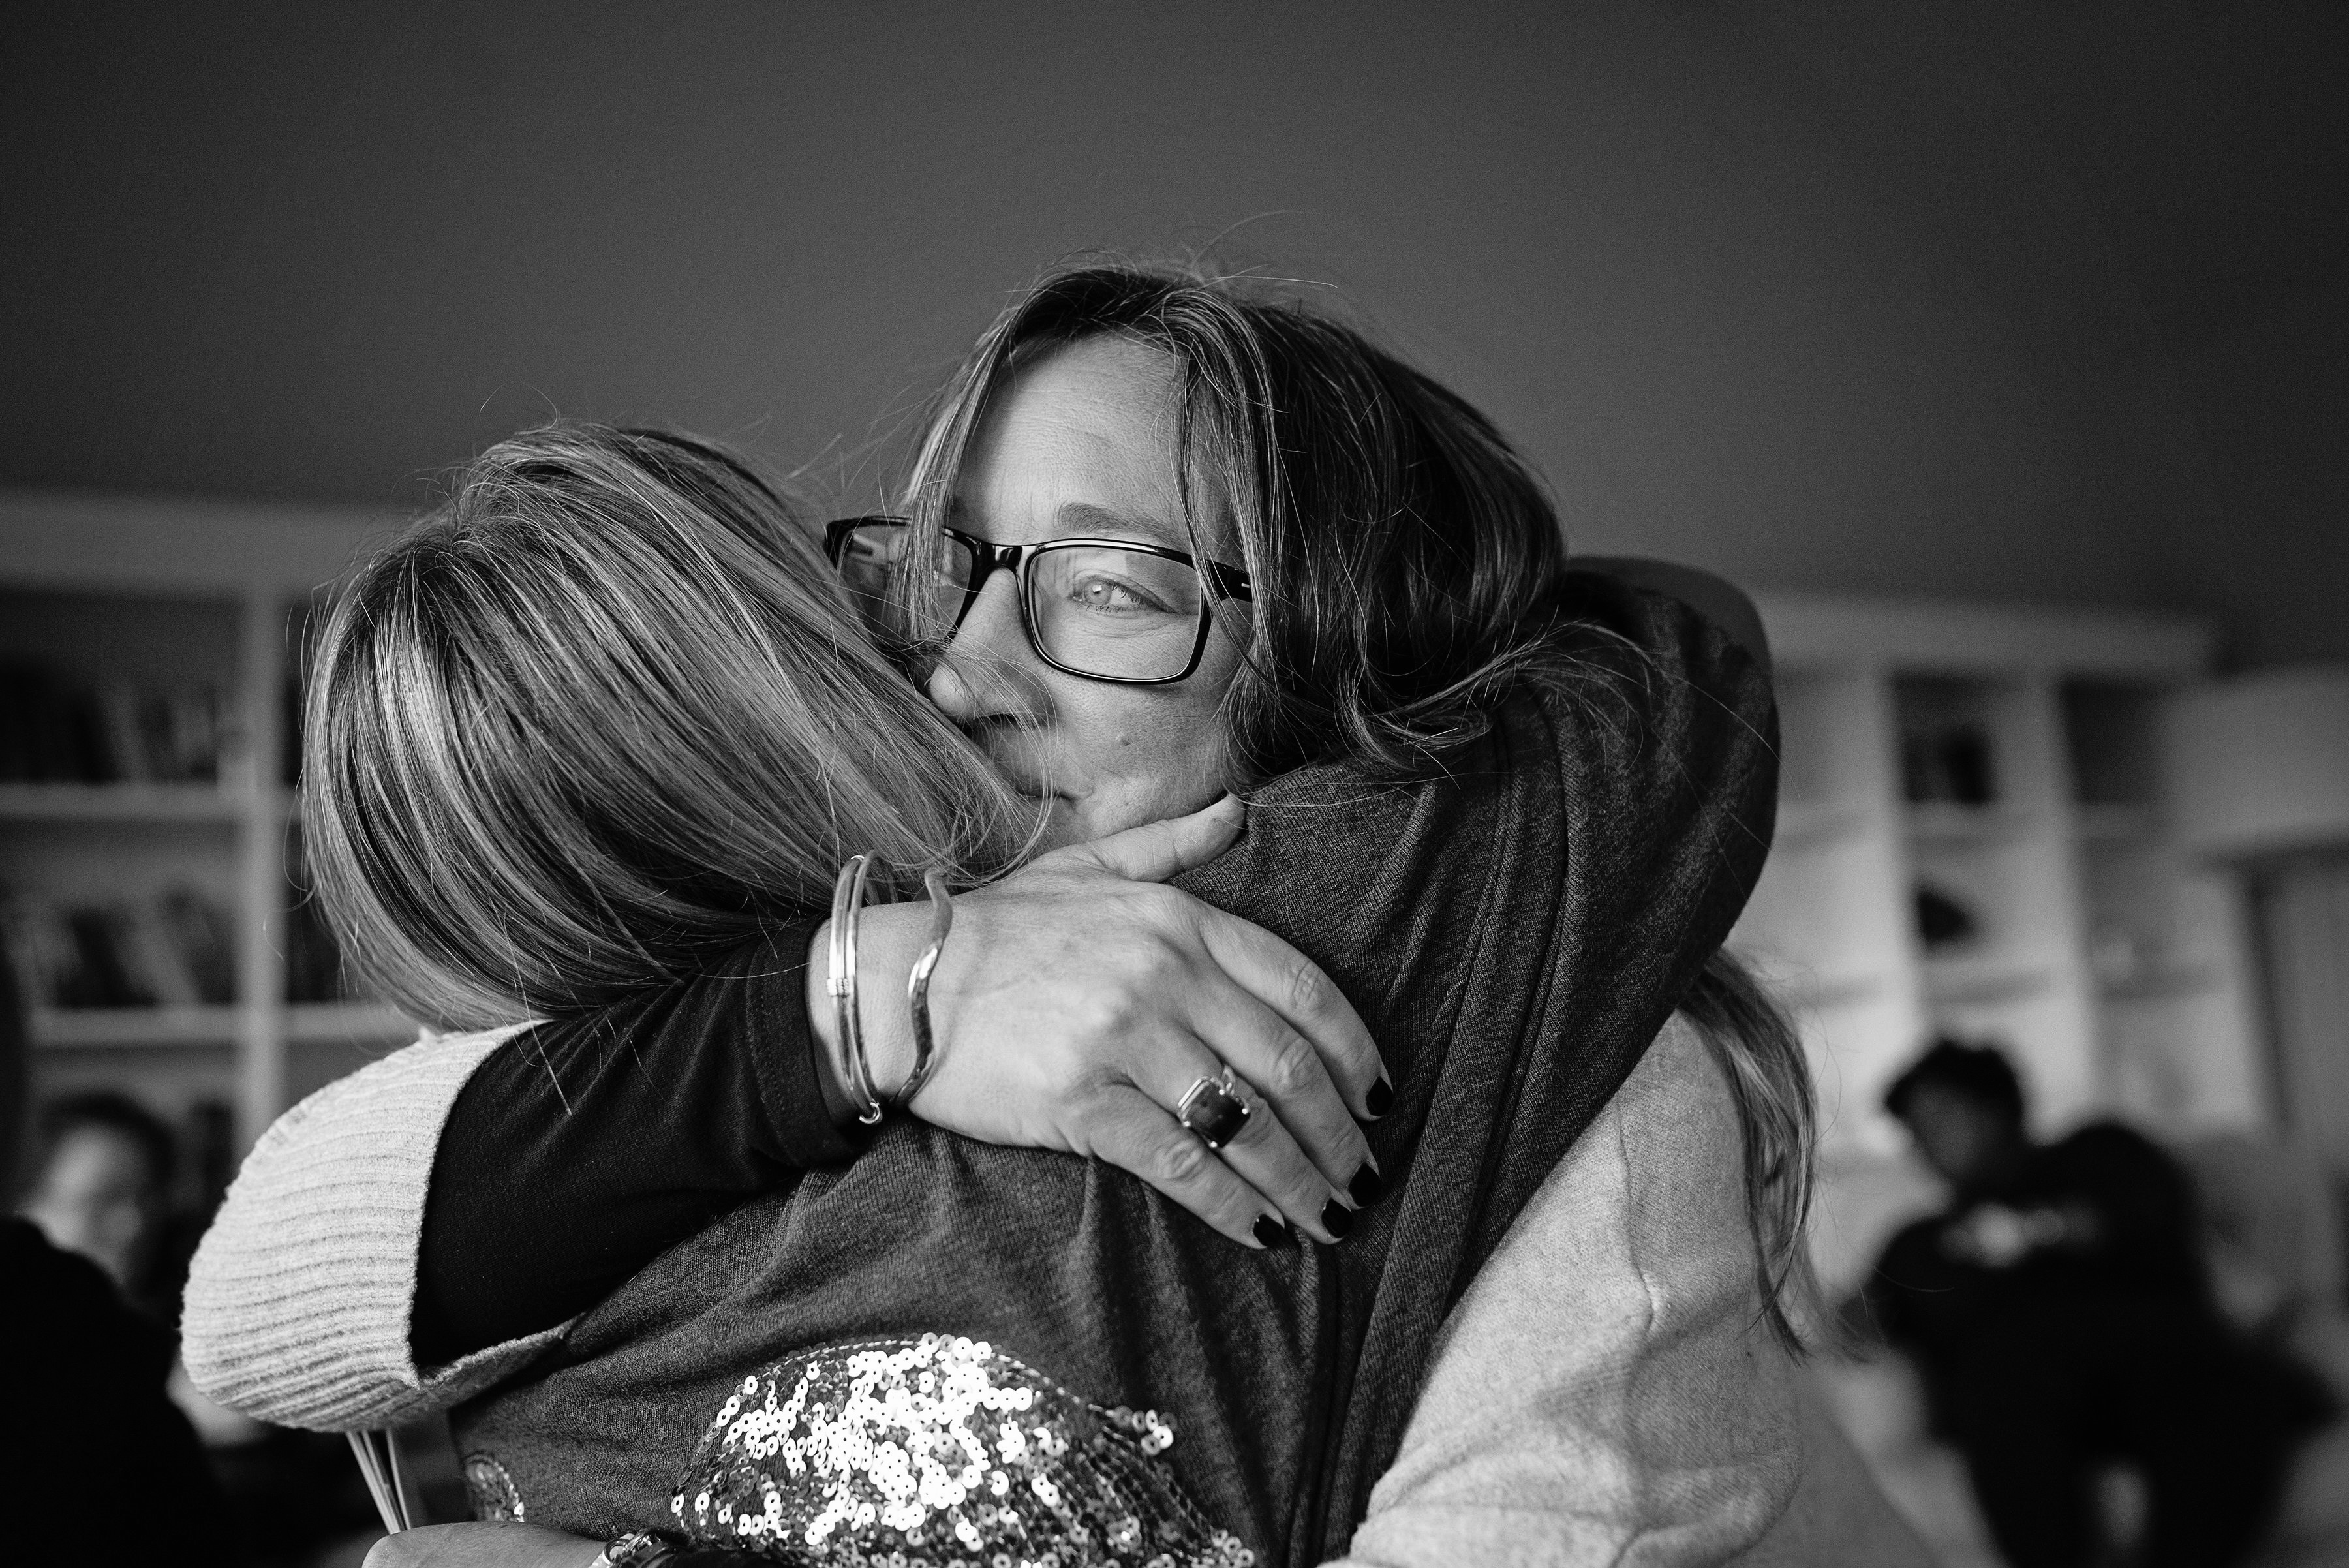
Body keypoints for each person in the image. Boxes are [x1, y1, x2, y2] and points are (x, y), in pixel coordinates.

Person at [189, 262, 1799, 1563]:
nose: (965, 670)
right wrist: (872, 1001)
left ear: (1337, 653)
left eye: (1109, 586)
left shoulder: (1589, 1085)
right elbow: (255, 1304)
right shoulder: (796, 925)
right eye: (948, 567)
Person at [1862, 1038, 2334, 1568]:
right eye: (1915, 1130)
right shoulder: (1918, 1243)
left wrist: (2039, 1230)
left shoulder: (2101, 1153)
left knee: (2228, 1391)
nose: (1926, 1140)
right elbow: (1864, 1322)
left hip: (2164, 1370)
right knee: (2003, 1375)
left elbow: (2150, 1219)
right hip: (2025, 1408)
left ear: (1995, 1105)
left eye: (1942, 1115)